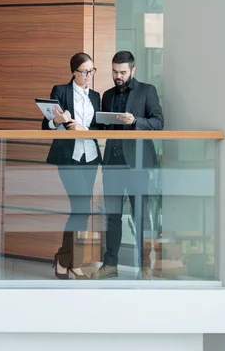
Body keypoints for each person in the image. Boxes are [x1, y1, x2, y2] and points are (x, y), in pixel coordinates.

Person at [92, 50, 164, 279]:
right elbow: (104, 127)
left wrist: (135, 122)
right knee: (112, 216)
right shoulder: (108, 94)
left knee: (140, 215)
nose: (118, 76)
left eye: (122, 72)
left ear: (133, 70)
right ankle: (110, 264)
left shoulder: (147, 91)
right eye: (114, 72)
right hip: (112, 163)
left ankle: (145, 265)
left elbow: (158, 122)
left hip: (138, 163)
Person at [42, 52, 101, 280]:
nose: (89, 76)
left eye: (91, 71)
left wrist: (83, 129)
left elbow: (100, 129)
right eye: (84, 72)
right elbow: (46, 126)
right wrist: (56, 121)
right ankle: (68, 260)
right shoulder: (61, 91)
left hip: (91, 157)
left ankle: (67, 260)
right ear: (74, 72)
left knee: (82, 210)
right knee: (81, 208)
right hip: (69, 156)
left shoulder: (96, 96)